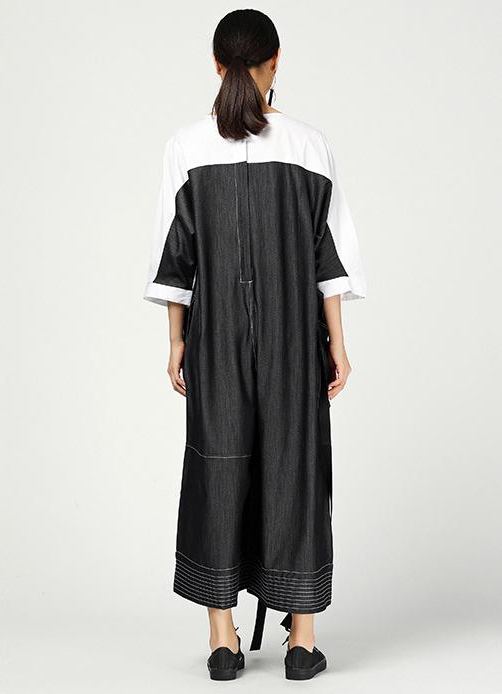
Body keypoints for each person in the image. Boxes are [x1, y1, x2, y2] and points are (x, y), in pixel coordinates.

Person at [143, 9, 366, 681]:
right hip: (294, 337)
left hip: (214, 338)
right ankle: (302, 642)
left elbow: (175, 257)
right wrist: (338, 343)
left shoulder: (186, 146)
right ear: (276, 61)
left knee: (217, 467)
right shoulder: (309, 145)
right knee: (296, 465)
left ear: (217, 65)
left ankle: (222, 641)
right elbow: (329, 257)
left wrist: (177, 341)